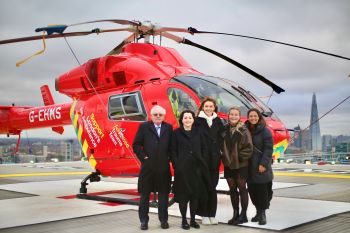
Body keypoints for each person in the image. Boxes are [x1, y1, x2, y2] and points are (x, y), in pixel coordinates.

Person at [132, 105, 173, 230]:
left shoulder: (168, 127)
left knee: (163, 196)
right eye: (156, 114)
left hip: (163, 168)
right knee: (144, 196)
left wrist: (169, 158)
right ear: (151, 115)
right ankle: (144, 221)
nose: (158, 116)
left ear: (164, 116)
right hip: (147, 168)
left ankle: (164, 220)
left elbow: (172, 145)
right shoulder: (144, 127)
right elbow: (136, 145)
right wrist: (144, 157)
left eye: (160, 114)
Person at [171, 110, 211, 230]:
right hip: (182, 169)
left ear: (193, 119)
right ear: (181, 120)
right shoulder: (176, 133)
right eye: (185, 118)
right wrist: (177, 164)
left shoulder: (199, 132)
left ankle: (193, 220)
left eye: (190, 118)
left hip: (197, 168)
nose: (187, 120)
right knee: (183, 196)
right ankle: (184, 220)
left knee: (195, 196)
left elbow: (204, 147)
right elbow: (173, 151)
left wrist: (203, 161)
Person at [195, 97, 224, 225]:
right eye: (206, 106)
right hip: (202, 159)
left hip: (214, 159)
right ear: (202, 107)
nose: (208, 108)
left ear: (214, 108)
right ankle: (204, 214)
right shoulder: (197, 121)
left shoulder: (218, 121)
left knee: (213, 187)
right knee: (203, 187)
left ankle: (212, 214)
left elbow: (223, 139)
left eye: (211, 106)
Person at [221, 107, 253, 225]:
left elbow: (249, 148)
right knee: (232, 190)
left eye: (236, 115)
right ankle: (235, 213)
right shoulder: (224, 130)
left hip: (241, 164)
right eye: (231, 114)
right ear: (228, 116)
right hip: (228, 164)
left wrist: (238, 158)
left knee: (242, 189)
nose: (233, 116)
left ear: (239, 117)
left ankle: (243, 215)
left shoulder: (244, 130)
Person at [245, 108, 274, 225]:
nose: (253, 118)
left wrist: (263, 164)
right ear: (248, 117)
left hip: (261, 165)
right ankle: (258, 211)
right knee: (252, 191)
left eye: (255, 116)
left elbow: (268, 149)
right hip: (249, 166)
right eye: (251, 116)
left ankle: (262, 214)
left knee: (263, 191)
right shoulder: (245, 129)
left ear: (259, 117)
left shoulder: (265, 131)